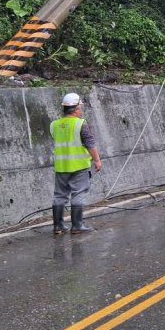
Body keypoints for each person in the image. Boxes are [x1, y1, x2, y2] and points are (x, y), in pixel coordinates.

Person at [49, 92, 103, 234]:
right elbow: (90, 144)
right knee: (78, 194)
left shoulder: (54, 125)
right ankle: (77, 226)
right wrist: (97, 160)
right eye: (80, 107)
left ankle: (58, 226)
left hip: (61, 168)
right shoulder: (80, 124)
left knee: (59, 196)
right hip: (79, 167)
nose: (81, 110)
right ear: (76, 108)